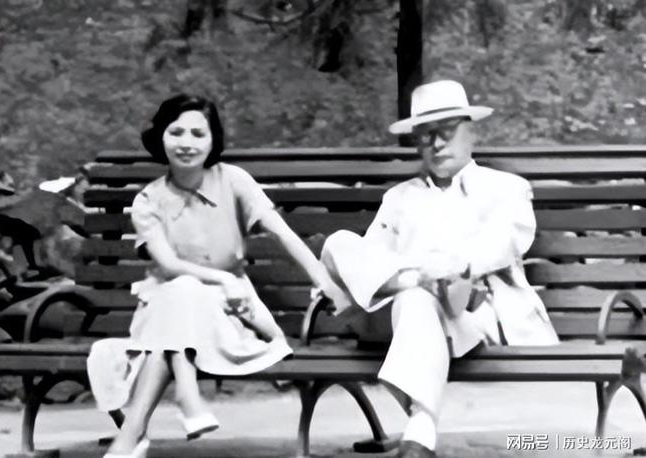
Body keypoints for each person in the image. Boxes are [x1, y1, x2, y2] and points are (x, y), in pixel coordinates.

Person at [91, 94, 346, 458]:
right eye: (176, 132)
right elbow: (168, 265)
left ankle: (137, 434)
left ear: (213, 141)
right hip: (166, 304)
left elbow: (284, 234)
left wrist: (322, 279)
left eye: (198, 133)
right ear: (161, 137)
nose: (186, 143)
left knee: (175, 313)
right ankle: (184, 400)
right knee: (181, 290)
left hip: (230, 310)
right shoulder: (148, 201)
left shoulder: (234, 180)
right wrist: (221, 278)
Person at [321, 80, 560, 458]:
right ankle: (416, 287)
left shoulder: (507, 189)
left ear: (470, 132)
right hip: (406, 314)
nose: (435, 144)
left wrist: (442, 270)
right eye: (425, 135)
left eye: (445, 132)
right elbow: (369, 259)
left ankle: (421, 429)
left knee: (418, 296)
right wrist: (415, 278)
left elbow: (502, 244)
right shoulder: (399, 197)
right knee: (340, 244)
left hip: (475, 314)